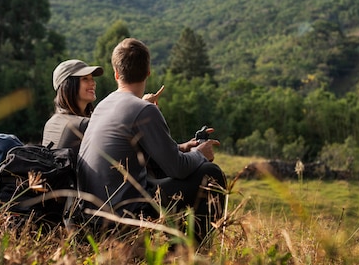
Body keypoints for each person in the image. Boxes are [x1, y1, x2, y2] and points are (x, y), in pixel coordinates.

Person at [77, 38, 226, 243]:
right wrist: (200, 154)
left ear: (116, 74)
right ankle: (193, 252)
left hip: (92, 215)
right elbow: (178, 169)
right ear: (148, 72)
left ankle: (175, 246)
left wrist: (183, 148)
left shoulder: (103, 105)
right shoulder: (143, 109)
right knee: (211, 173)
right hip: (126, 215)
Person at [41, 59, 103, 160]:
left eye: (92, 78)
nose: (93, 83)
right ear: (69, 85)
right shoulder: (82, 125)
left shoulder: (51, 122)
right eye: (85, 79)